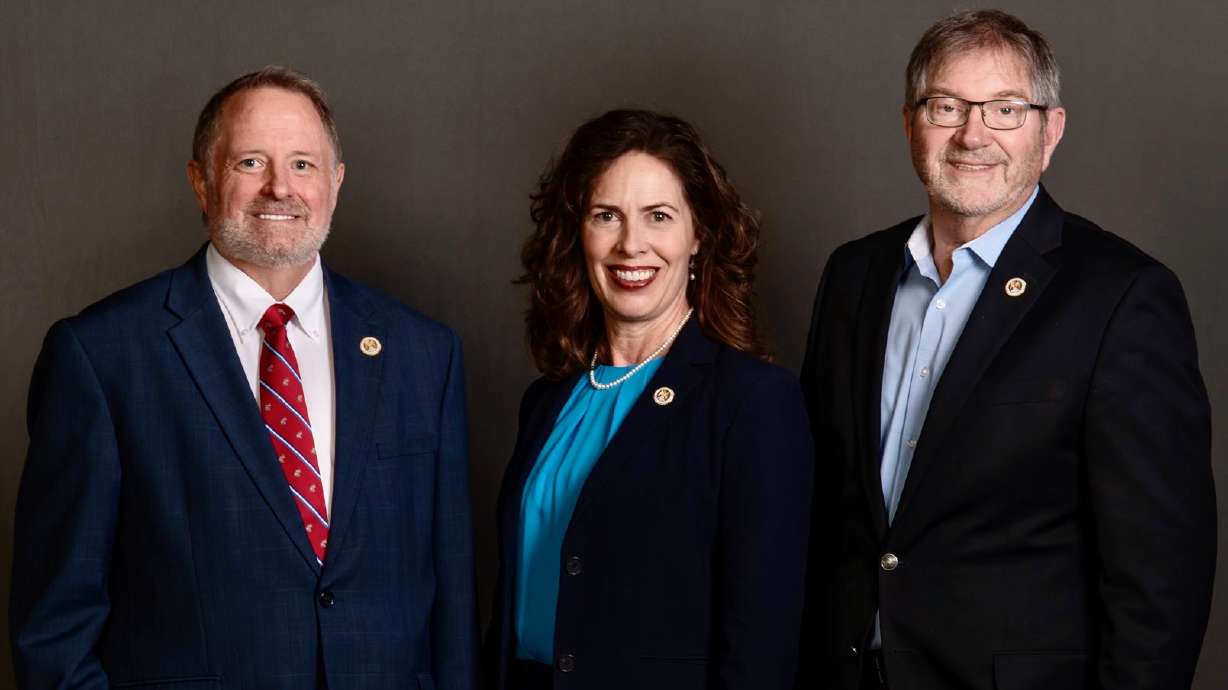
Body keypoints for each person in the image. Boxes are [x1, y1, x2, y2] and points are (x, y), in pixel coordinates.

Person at [11, 66, 478, 690]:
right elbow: (55, 630)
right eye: (251, 163)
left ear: (336, 184)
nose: (280, 188)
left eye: (304, 165)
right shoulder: (102, 356)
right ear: (201, 181)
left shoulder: (423, 355)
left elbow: (452, 607)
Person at [797, 9, 1215, 690]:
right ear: (909, 124)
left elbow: (1162, 577)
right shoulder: (854, 275)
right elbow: (826, 515)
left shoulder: (1122, 296)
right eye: (946, 106)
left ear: (1050, 133)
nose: (972, 135)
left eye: (1005, 109)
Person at [483, 109, 813, 690]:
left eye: (659, 216)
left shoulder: (753, 402)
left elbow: (762, 642)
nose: (631, 244)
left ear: (698, 236)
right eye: (606, 216)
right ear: (577, 234)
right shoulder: (547, 401)